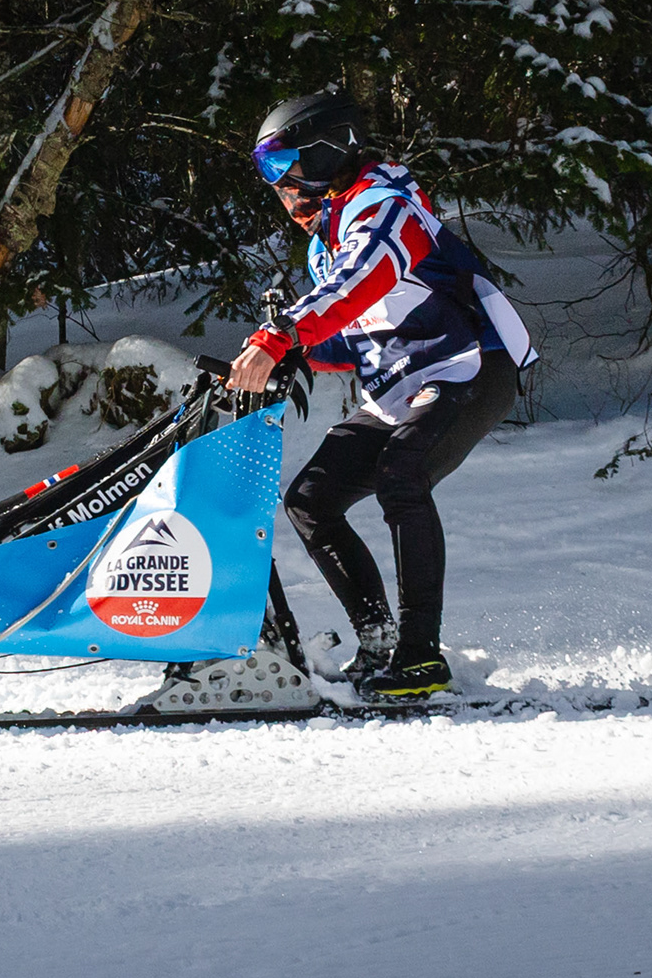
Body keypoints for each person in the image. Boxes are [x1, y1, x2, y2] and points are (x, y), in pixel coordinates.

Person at [222, 91, 533, 704]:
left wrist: (279, 334)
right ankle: (379, 638)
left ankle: (420, 658)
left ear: (325, 151)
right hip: (405, 382)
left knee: (401, 476)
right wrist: (296, 353)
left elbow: (364, 282)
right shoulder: (327, 239)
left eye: (284, 170)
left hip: (470, 364)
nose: (282, 193)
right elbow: (357, 334)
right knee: (311, 500)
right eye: (271, 179)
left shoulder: (385, 206)